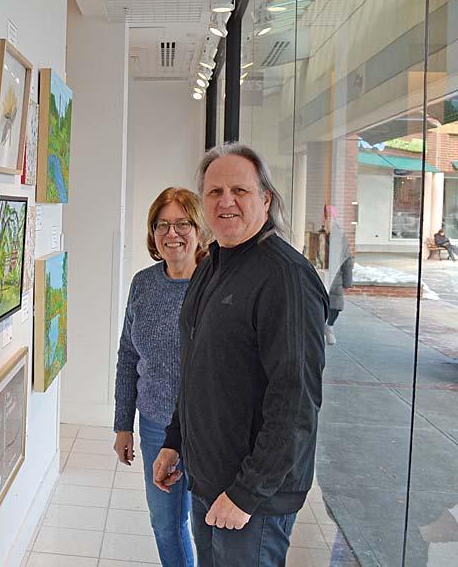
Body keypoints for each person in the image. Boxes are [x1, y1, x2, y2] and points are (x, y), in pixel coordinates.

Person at [153, 143, 328, 566]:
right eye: (214, 191)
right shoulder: (212, 265)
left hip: (252, 501)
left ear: (265, 200)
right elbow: (196, 369)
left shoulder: (286, 278)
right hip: (208, 481)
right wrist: (175, 441)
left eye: (240, 190)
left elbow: (295, 402)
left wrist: (247, 493)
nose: (225, 201)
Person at [113, 187, 210, 567]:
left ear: (199, 229)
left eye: (182, 223)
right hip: (155, 424)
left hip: (208, 429)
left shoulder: (215, 284)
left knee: (209, 526)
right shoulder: (143, 284)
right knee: (166, 524)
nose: (172, 233)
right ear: (152, 233)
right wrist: (123, 425)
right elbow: (128, 356)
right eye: (162, 225)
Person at [325, 205, 354, 346]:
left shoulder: (340, 238)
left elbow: (347, 260)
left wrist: (347, 282)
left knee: (335, 305)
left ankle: (328, 327)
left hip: (334, 277)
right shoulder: (316, 234)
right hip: (319, 274)